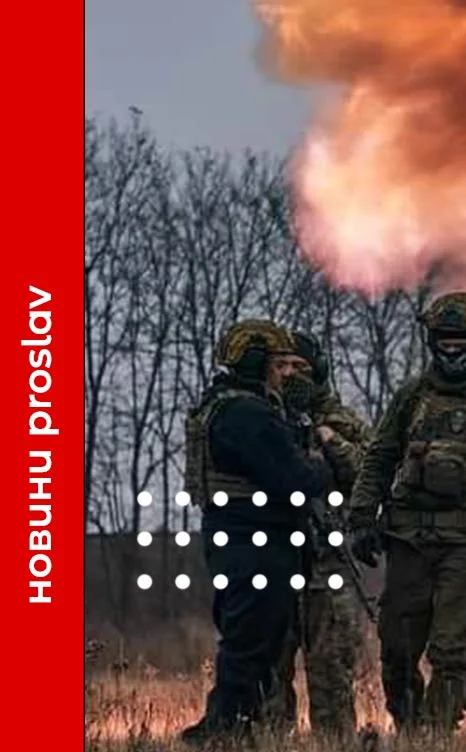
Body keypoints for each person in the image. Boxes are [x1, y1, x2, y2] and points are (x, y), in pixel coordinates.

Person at [344, 291, 466, 732]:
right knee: (396, 648)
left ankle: (436, 735)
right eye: (444, 343)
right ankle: (412, 727)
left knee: (451, 649)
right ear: (432, 342)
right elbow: (379, 457)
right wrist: (360, 518)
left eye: (461, 344)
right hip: (407, 541)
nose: (452, 352)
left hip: (465, 543)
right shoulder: (413, 395)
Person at [179, 319, 330, 748]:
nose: (288, 375)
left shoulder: (225, 405)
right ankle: (221, 731)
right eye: (280, 364)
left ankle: (236, 730)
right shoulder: (248, 413)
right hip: (255, 542)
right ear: (257, 363)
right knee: (251, 644)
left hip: (242, 539)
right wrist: (322, 464)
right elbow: (295, 479)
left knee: (254, 643)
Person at [263, 331, 370, 740]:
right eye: (282, 366)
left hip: (328, 562)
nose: (290, 375)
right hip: (275, 561)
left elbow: (369, 468)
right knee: (271, 672)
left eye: (300, 367)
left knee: (331, 672)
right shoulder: (260, 419)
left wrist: (329, 440)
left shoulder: (338, 419)